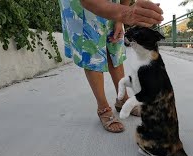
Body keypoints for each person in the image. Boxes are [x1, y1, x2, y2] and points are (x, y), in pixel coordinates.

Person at [59, 0, 163, 133]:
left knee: (115, 46)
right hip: (82, 6)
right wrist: (126, 13)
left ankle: (122, 99)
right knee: (92, 51)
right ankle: (103, 107)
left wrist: (120, 19)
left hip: (112, 3)